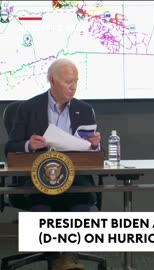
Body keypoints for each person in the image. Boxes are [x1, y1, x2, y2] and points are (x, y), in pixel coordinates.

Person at [5, 58, 101, 270]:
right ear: (52, 81)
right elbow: (10, 147)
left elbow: (94, 153)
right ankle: (55, 258)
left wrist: (95, 145)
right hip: (38, 180)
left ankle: (68, 257)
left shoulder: (84, 109)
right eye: (68, 81)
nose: (73, 86)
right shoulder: (28, 108)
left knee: (80, 203)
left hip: (75, 180)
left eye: (76, 81)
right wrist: (29, 144)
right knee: (42, 205)